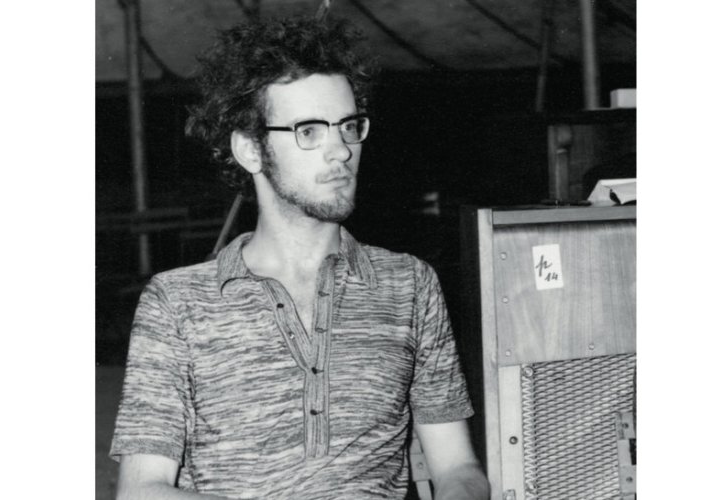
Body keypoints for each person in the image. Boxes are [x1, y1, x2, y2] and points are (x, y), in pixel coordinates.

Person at [110, 16, 489, 500]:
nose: (341, 151)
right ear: (251, 149)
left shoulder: (410, 285)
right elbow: (142, 490)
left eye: (349, 126)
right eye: (309, 131)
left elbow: (459, 469)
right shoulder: (177, 302)